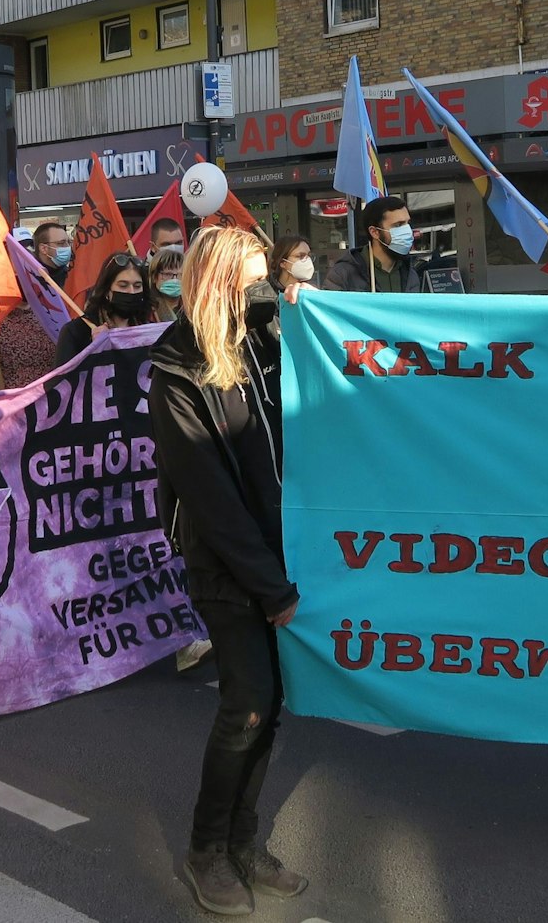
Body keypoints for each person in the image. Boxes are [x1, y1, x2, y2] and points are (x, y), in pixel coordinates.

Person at [150, 227, 307, 915]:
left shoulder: (263, 340)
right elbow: (208, 495)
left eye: (264, 276)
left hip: (280, 549)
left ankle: (245, 839)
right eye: (250, 280)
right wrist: (270, 588)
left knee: (270, 706)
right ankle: (205, 849)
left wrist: (308, 312)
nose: (261, 289)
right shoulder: (176, 372)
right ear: (216, 283)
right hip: (226, 561)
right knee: (246, 702)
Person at [56, 253, 154, 365]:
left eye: (137, 286)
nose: (131, 292)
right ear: (107, 290)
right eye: (123, 285)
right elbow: (62, 380)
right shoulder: (76, 332)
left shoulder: (148, 330)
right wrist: (94, 350)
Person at [322, 196, 420, 293]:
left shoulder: (410, 274)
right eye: (398, 225)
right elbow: (328, 307)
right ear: (374, 232)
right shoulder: (343, 273)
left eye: (407, 223)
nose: (407, 230)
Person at [149, 247, 186, 323]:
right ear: (154, 277)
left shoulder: (192, 308)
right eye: (168, 274)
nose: (175, 279)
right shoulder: (147, 311)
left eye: (180, 275)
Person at [33, 221, 73, 289]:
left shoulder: (71, 276)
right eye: (61, 243)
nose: (67, 247)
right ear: (44, 248)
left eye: (69, 242)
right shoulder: (29, 277)